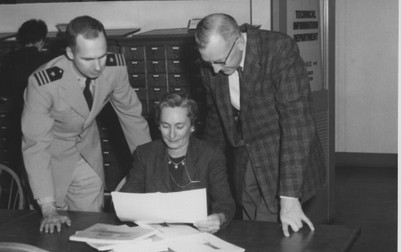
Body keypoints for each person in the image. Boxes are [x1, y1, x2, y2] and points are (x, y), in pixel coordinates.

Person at [195, 13, 325, 236]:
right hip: (245, 155)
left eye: (219, 62)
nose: (214, 70)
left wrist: (289, 197)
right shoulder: (213, 64)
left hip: (283, 153)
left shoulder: (279, 50)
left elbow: (297, 123)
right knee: (250, 225)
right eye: (208, 63)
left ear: (240, 43)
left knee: (274, 230)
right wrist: (202, 170)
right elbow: (216, 120)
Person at [21, 15, 151, 233]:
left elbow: (132, 117)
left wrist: (150, 167)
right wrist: (48, 207)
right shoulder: (44, 83)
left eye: (102, 56)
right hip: (51, 159)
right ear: (70, 53)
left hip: (86, 153)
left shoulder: (114, 68)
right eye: (89, 59)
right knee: (55, 232)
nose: (98, 66)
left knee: (92, 227)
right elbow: (36, 144)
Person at [121, 92, 235, 234]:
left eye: (179, 126)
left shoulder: (210, 155)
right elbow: (127, 198)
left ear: (192, 126)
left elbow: (225, 203)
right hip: (155, 234)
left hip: (196, 235)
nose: (172, 134)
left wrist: (219, 217)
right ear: (158, 126)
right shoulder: (145, 154)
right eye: (165, 126)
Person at [0, 19, 50, 172]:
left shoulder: (7, 59)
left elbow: (3, 93)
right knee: (39, 163)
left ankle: (18, 194)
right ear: (41, 40)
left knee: (17, 161)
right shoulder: (47, 61)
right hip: (41, 119)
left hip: (15, 117)